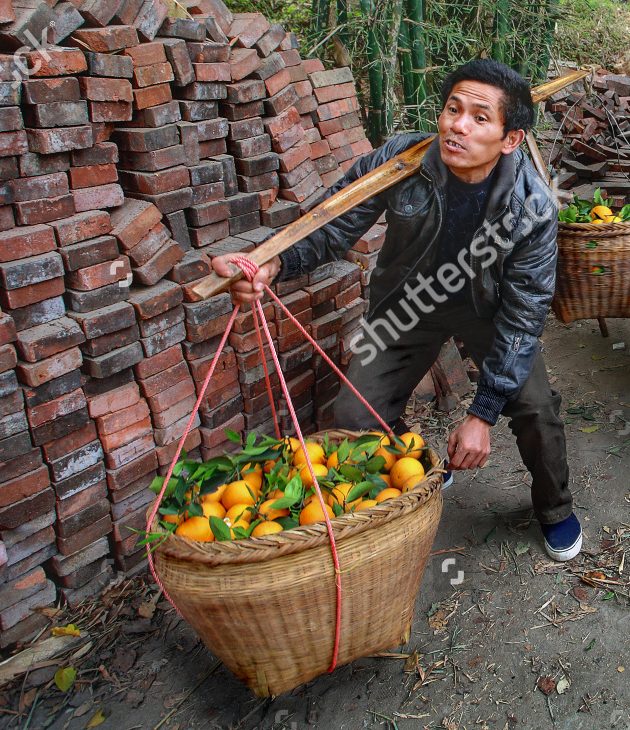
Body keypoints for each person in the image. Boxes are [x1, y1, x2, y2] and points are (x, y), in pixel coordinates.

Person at [210, 60, 581, 562]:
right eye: (453, 109)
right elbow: (333, 221)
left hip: (490, 314)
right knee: (352, 415)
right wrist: (273, 263)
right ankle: (417, 462)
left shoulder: (532, 206)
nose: (457, 126)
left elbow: (525, 314)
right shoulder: (401, 160)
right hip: (407, 306)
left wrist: (482, 414)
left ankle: (555, 510)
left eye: (479, 118)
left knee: (536, 408)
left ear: (510, 139)